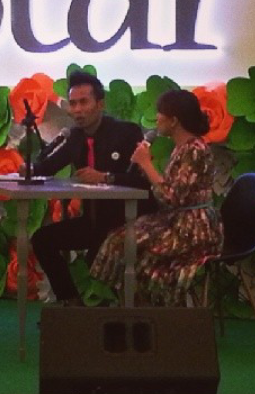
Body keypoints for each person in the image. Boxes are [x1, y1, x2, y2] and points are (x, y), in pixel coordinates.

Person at [30, 71, 155, 306]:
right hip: (93, 222)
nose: (77, 110)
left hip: (128, 223)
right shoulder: (74, 137)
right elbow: (47, 167)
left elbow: (143, 182)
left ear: (100, 104)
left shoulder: (126, 132)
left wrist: (106, 177)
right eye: (73, 104)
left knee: (97, 256)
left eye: (83, 102)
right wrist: (25, 169)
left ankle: (129, 313)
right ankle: (71, 302)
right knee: (42, 239)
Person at [90, 89, 223, 306]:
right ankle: (132, 309)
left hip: (192, 228)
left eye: (160, 113)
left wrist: (146, 164)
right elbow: (171, 189)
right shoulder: (182, 148)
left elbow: (171, 197)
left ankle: (150, 312)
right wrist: (143, 168)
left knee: (128, 244)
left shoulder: (194, 150)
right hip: (177, 221)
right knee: (119, 238)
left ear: (174, 120)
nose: (156, 118)